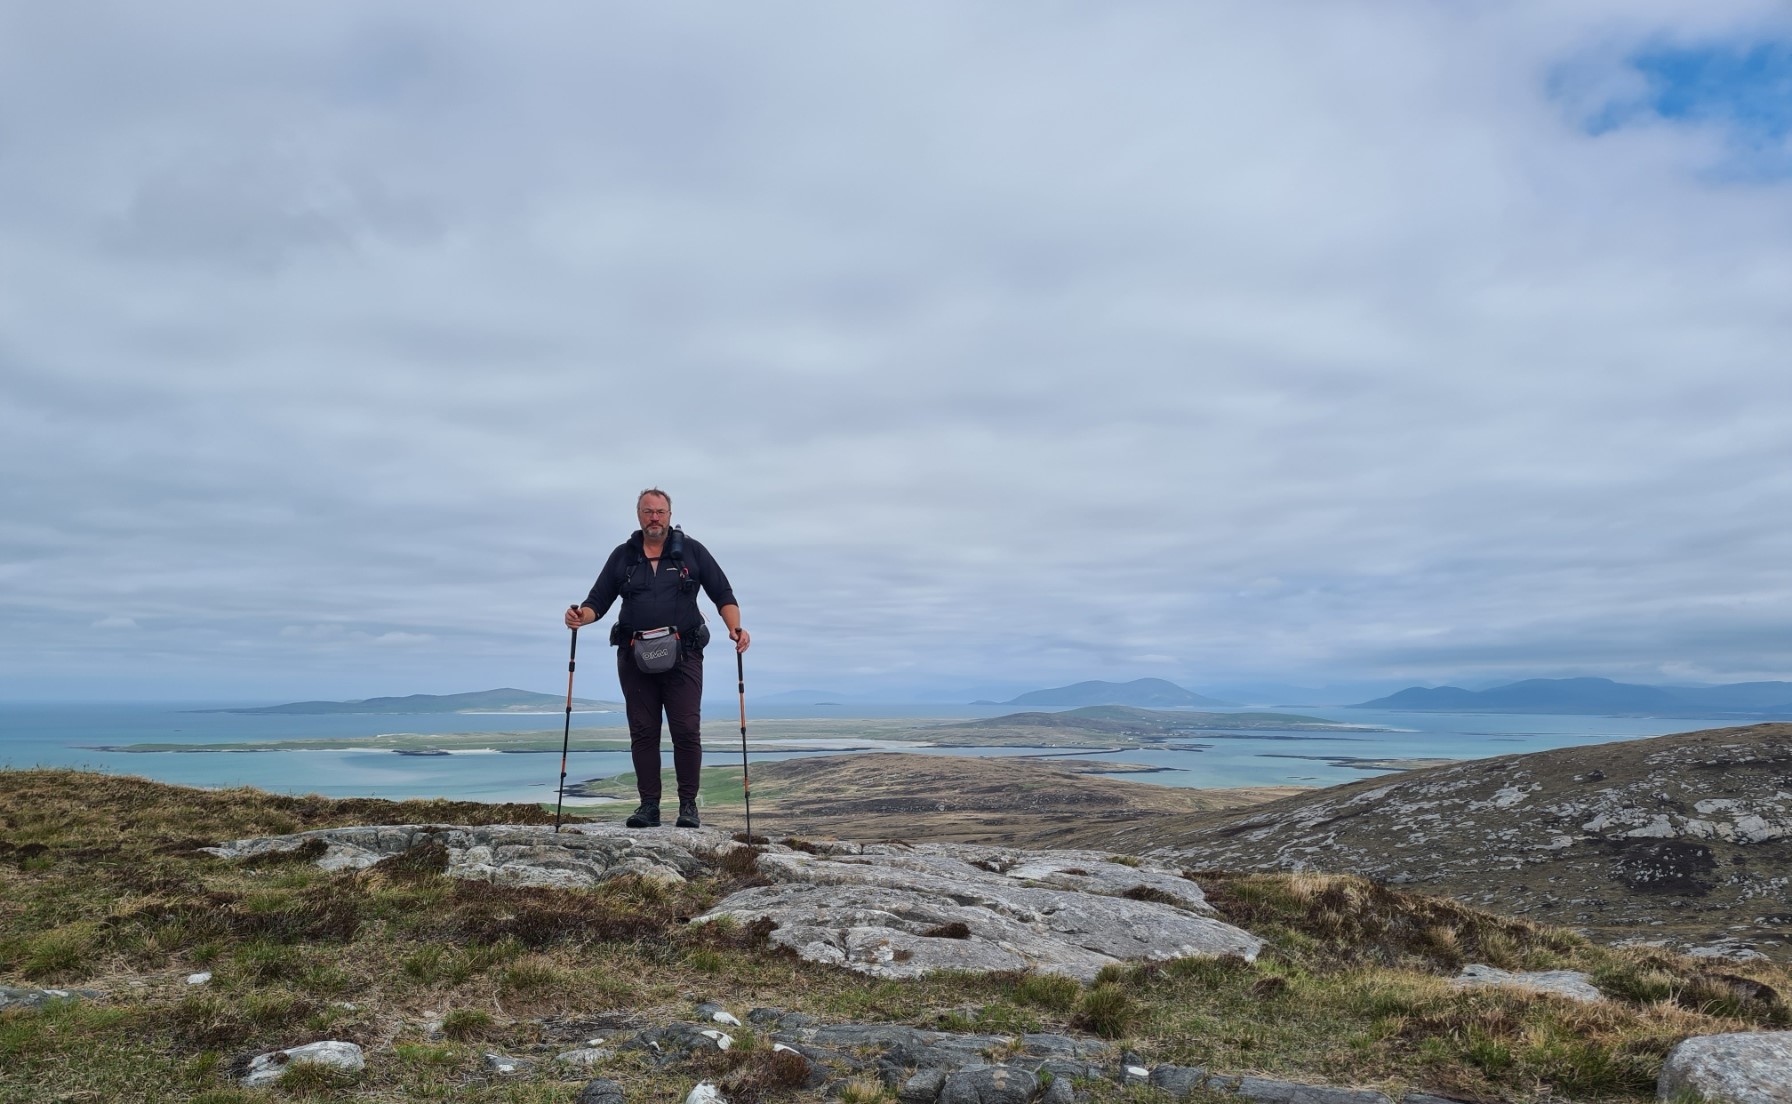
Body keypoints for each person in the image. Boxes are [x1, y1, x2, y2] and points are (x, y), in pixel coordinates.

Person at [563, 488, 749, 829]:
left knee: (686, 730)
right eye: (648, 511)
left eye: (660, 511)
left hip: (685, 655)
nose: (654, 517)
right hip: (635, 657)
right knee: (644, 732)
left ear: (669, 514)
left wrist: (736, 629)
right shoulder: (623, 556)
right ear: (638, 514)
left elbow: (723, 592)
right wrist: (580, 616)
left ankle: (688, 806)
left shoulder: (691, 552)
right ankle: (649, 806)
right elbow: (597, 601)